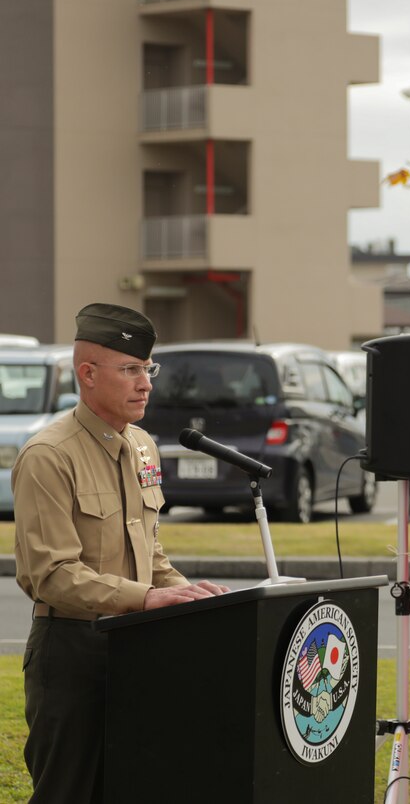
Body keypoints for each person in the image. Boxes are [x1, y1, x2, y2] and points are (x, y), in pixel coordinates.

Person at [12, 303, 229, 804]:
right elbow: (50, 575)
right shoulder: (49, 455)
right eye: (130, 370)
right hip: (72, 650)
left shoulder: (143, 446)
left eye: (148, 369)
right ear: (87, 374)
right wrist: (146, 598)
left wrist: (190, 595)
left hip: (140, 646)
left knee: (137, 782)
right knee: (68, 791)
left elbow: (151, 553)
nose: (146, 383)